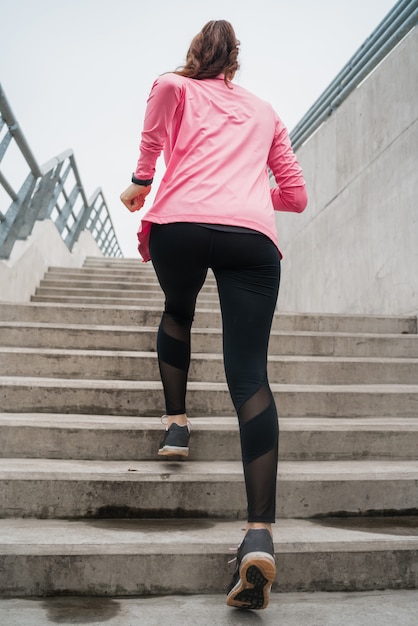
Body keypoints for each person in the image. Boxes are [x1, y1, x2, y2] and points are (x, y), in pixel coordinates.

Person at [120, 19, 307, 610]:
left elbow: (163, 97)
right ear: (236, 66)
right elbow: (296, 195)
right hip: (249, 237)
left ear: (199, 57)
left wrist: (140, 182)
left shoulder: (175, 87)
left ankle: (176, 424)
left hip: (181, 223)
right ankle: (260, 534)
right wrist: (250, 192)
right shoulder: (266, 111)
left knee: (178, 313)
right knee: (250, 376)